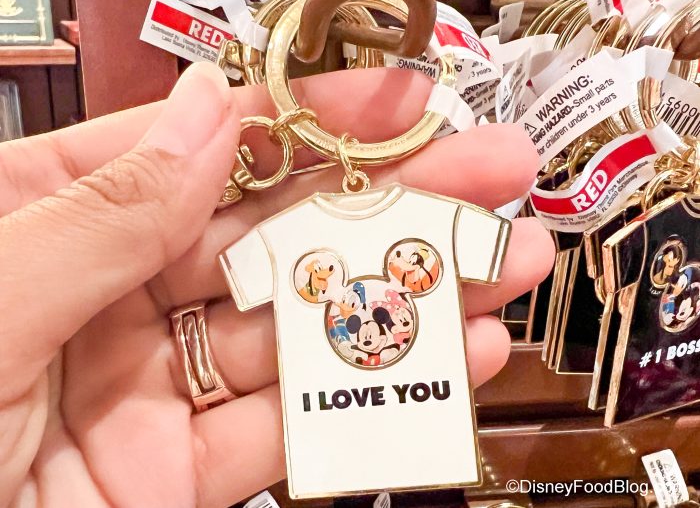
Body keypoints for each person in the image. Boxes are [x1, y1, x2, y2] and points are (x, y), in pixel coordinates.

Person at [0, 62, 553, 507]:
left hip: (403, 438)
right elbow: (236, 275)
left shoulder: (430, 220)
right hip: (346, 441)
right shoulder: (289, 235)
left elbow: (496, 250)